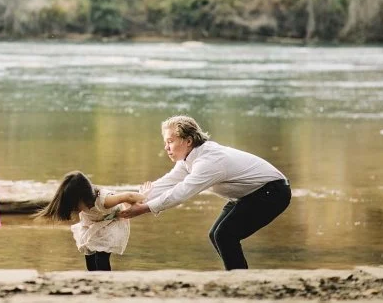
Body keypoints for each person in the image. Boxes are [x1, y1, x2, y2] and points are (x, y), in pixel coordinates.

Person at [119, 115, 292, 270]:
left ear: (188, 141)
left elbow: (182, 192)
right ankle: (237, 275)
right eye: (165, 142)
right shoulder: (189, 158)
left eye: (170, 141)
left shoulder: (209, 161)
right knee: (216, 234)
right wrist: (132, 198)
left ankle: (239, 279)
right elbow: (167, 182)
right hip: (250, 193)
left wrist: (143, 208)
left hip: (273, 192)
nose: (166, 147)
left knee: (225, 234)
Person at [34, 171, 148, 271]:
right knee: (89, 254)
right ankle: (94, 279)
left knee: (101, 256)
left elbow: (128, 196)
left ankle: (106, 280)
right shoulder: (82, 204)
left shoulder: (104, 201)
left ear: (85, 198)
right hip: (94, 224)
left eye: (74, 205)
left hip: (111, 223)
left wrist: (144, 197)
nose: (74, 209)